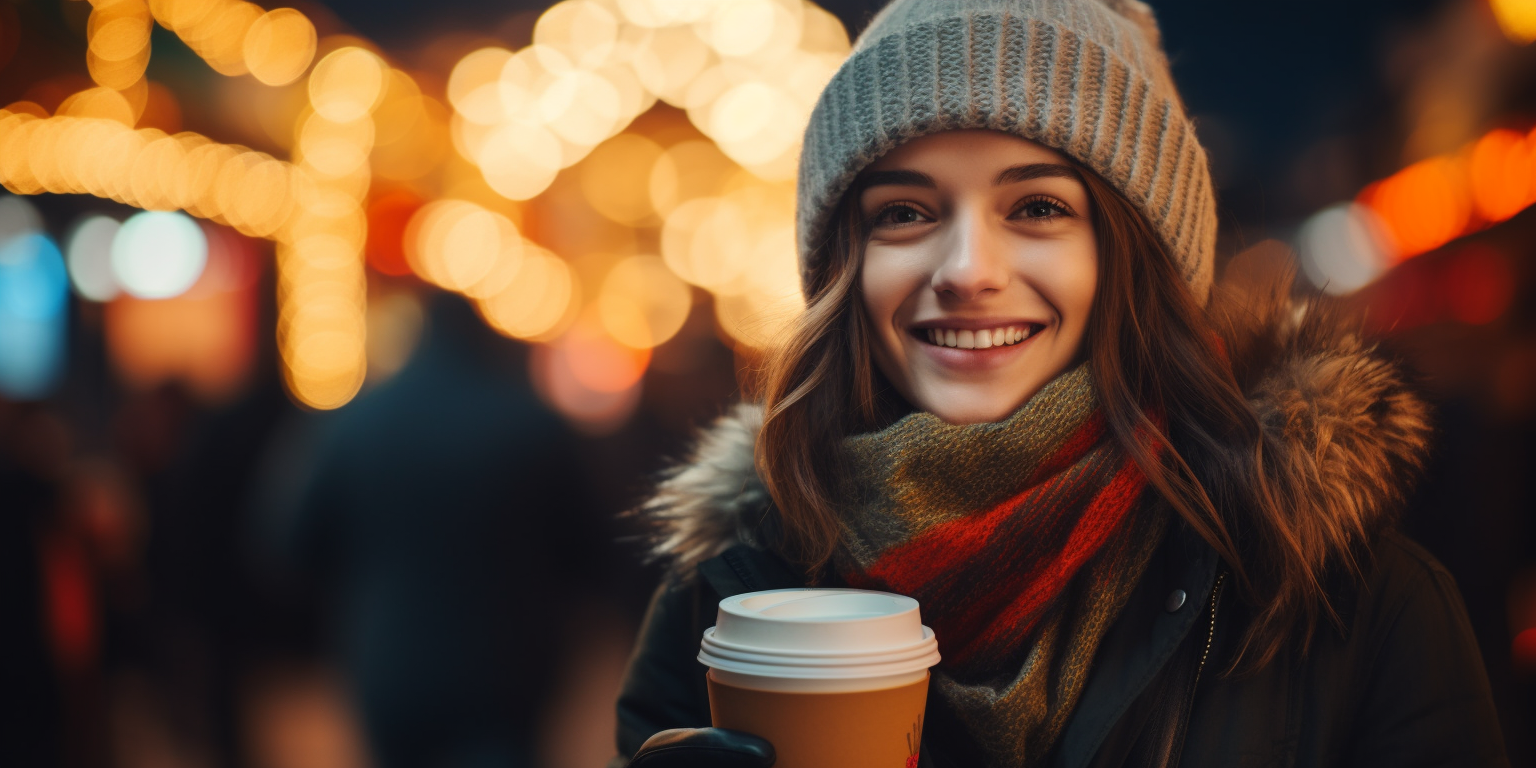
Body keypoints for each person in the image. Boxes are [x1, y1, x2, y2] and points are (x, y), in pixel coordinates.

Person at [610, 0, 1510, 767]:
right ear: (845, 265)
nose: (967, 269)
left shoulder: (1350, 607)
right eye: (905, 212)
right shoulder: (723, 604)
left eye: (1037, 207)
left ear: (1133, 257)